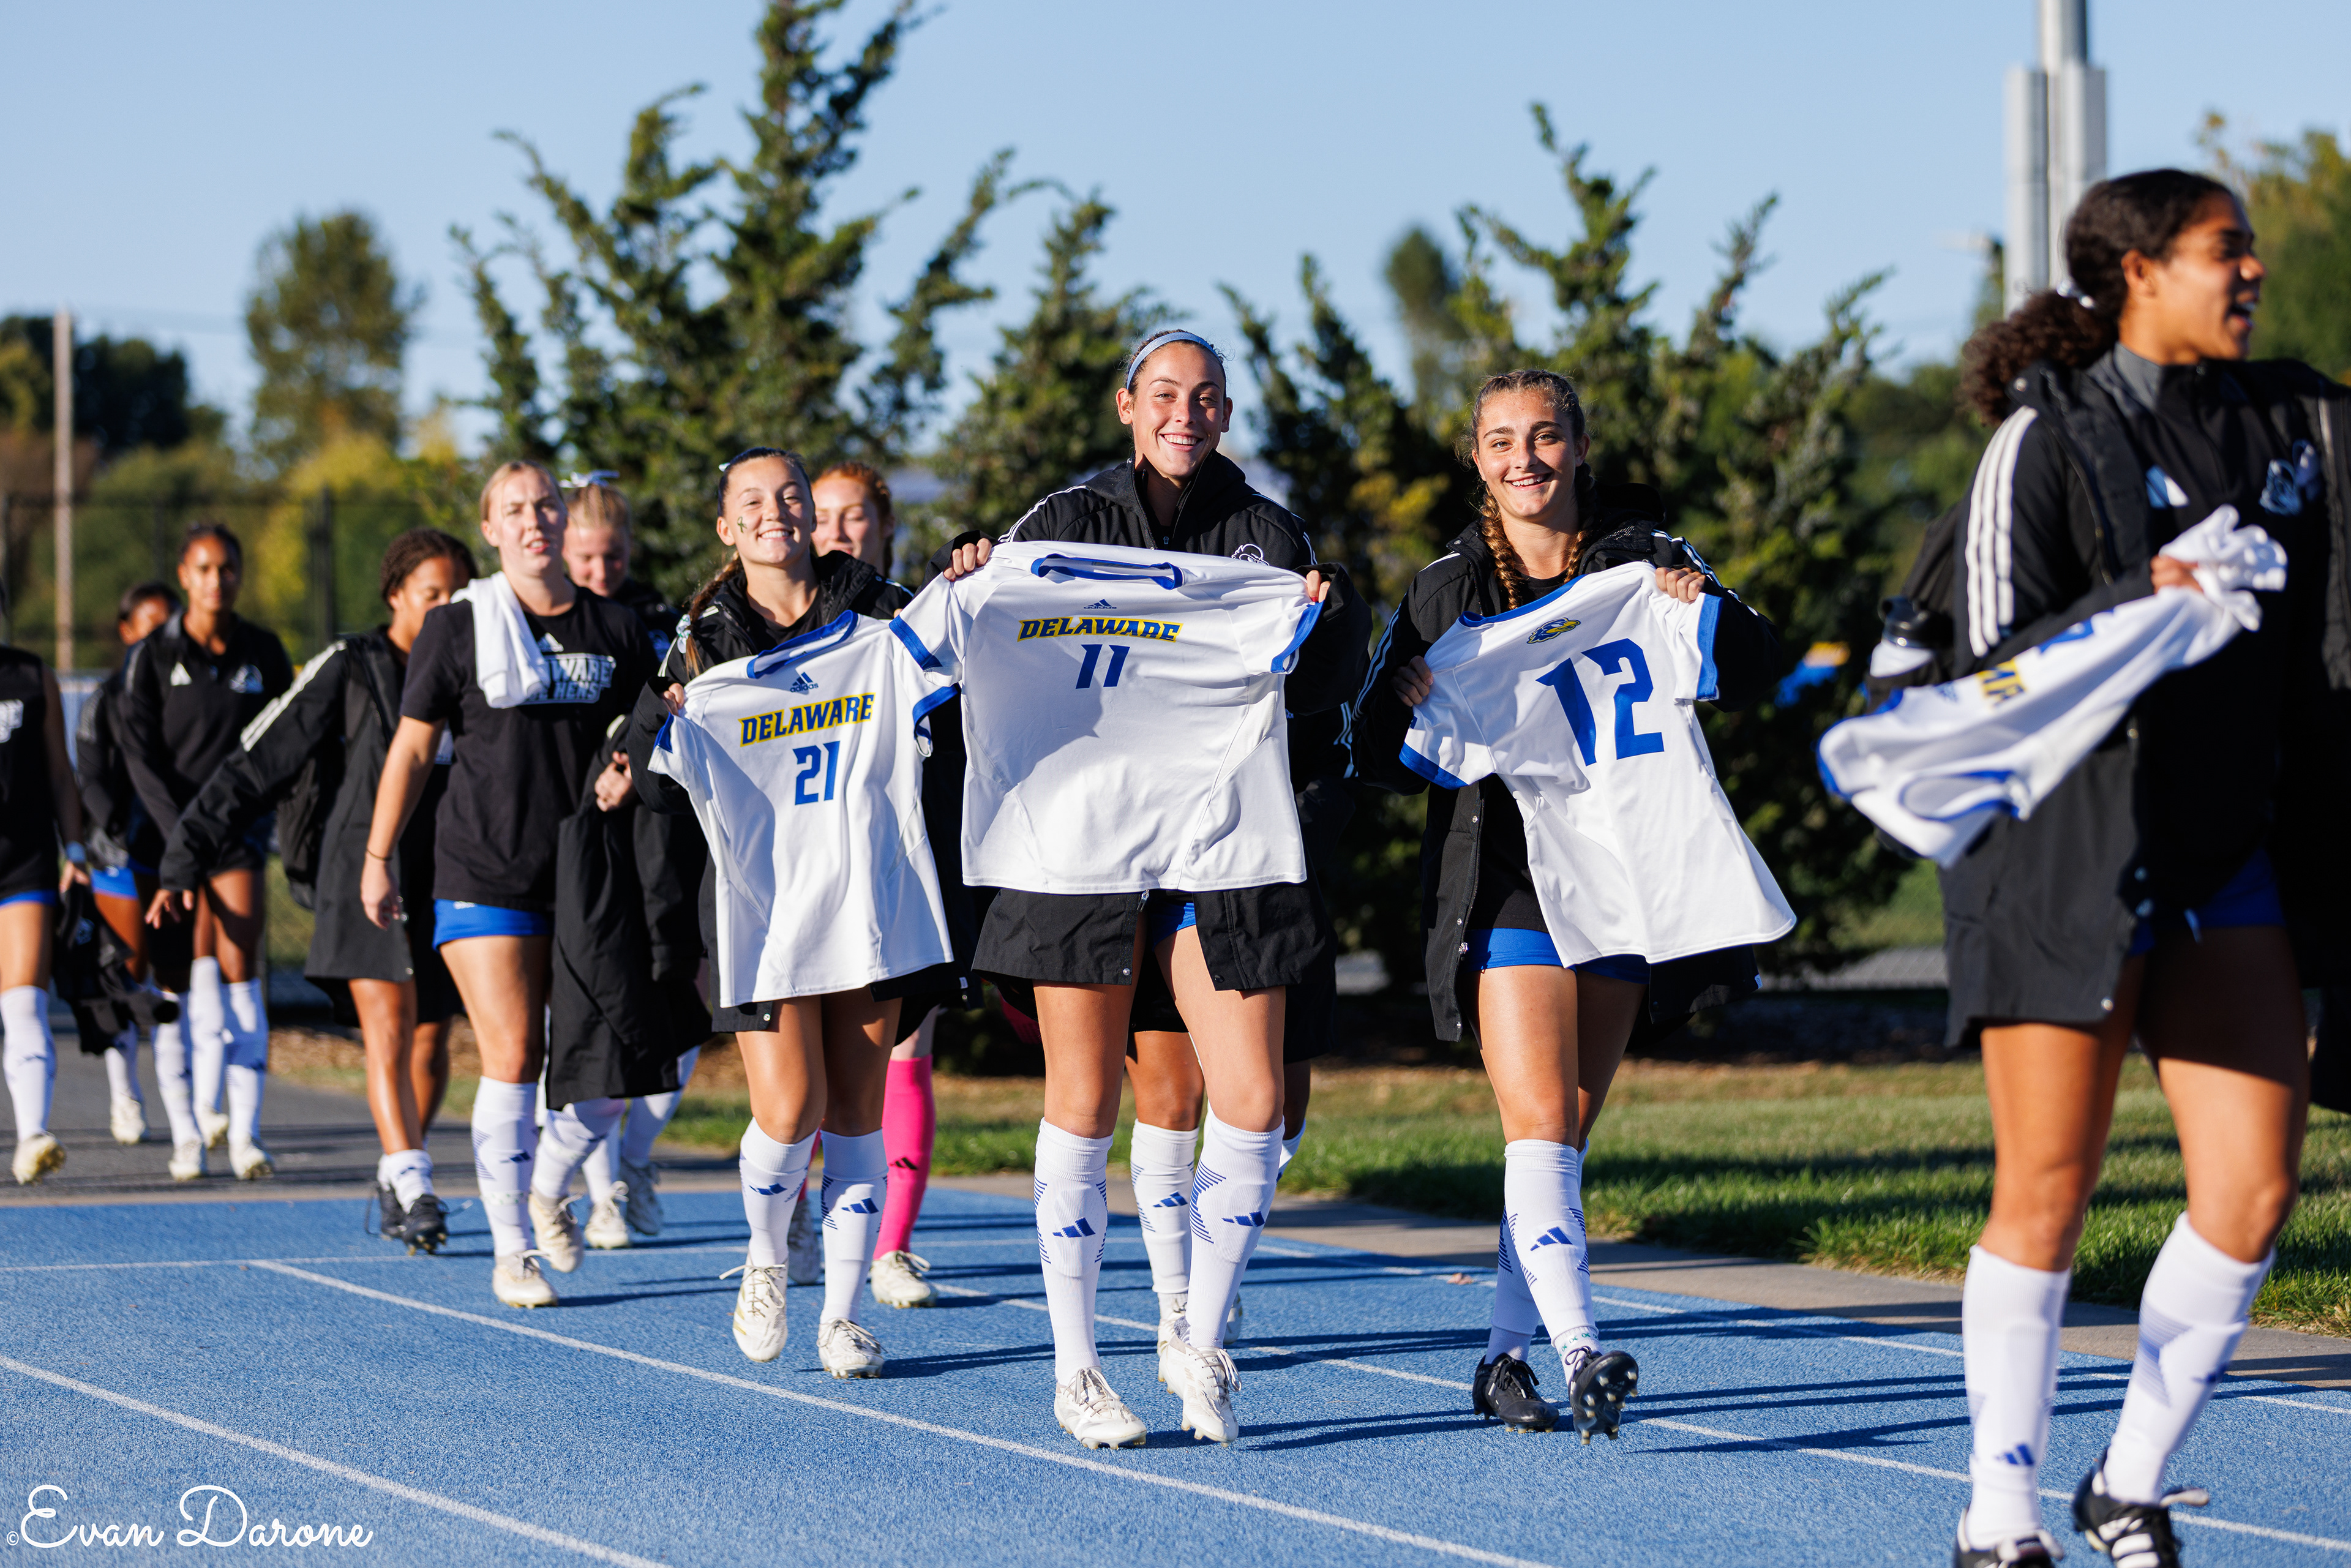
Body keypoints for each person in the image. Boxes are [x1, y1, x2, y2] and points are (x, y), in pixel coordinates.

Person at [1932, 170, 2342, 1568]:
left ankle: (2126, 1481)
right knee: (2047, 1186)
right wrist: (2137, 595)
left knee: (2252, 1189)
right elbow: (1989, 669)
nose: (2252, 272)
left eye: (2251, 251)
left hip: (2221, 858)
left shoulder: (2291, 421)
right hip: (2062, 863)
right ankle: (1997, 1514)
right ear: (2138, 271)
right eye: (2227, 250)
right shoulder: (2041, 441)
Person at [924, 327, 1369, 1448]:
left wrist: (1329, 616)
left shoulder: (1268, 533)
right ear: (1128, 405)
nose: (1187, 412)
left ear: (1227, 413)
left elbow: (1323, 688)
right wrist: (966, 578)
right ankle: (1077, 1370)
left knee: (1253, 1103)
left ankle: (1197, 1335)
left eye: (1207, 395)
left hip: (1217, 843)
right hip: (1083, 847)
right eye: (1165, 393)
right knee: (1084, 1103)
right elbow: (957, 644)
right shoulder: (1061, 521)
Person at [1349, 367, 1787, 1442]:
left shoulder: (1645, 558)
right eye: (1502, 441)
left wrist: (1704, 605)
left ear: (1580, 448)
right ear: (1477, 458)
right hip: (1511, 877)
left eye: (1544, 437)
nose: (1525, 459)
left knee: (1560, 1140)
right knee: (1539, 1124)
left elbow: (1757, 666)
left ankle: (1502, 1358)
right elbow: (1372, 751)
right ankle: (1586, 1352)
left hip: (1625, 873)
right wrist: (1401, 701)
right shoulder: (1447, 589)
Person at [626, 446, 926, 1378]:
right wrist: (660, 718)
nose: (775, 511)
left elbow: (959, 677)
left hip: (869, 889)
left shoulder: (881, 611)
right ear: (726, 526)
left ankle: (841, 1315)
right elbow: (653, 779)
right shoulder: (701, 638)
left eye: (790, 495)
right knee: (790, 1106)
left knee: (857, 1115)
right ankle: (765, 1257)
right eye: (751, 501)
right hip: (763, 903)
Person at [362, 461, 656, 1308]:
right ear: (491, 530)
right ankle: (512, 1250)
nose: (534, 520)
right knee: (516, 1055)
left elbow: (650, 734)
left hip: (588, 873)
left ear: (565, 519)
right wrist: (379, 854)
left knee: (610, 1070)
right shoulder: (458, 625)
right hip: (482, 869)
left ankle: (547, 1184)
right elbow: (413, 747)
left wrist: (630, 767)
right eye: (515, 509)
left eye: (546, 505)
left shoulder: (616, 625)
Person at [154, 529, 476, 1249]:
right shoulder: (351, 664)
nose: (447, 606)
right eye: (432, 593)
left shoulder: (479, 669)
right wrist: (186, 851)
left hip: (447, 868)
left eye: (458, 594)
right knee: (388, 1026)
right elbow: (257, 758)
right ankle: (415, 1181)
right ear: (395, 595)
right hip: (362, 871)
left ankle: (399, 1168)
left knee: (431, 1042)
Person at [119, 525, 293, 1180]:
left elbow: (285, 745)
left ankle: (245, 1135)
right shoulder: (153, 656)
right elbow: (140, 758)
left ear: (239, 574)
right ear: (184, 575)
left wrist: (253, 817)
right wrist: (181, 839)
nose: (216, 579)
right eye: (203, 568)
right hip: (165, 843)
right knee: (179, 984)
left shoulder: (264, 651)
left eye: (227, 568)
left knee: (240, 972)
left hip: (236, 838)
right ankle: (187, 1134)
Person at [559, 473, 705, 1250]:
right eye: (585, 558)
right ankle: (601, 1191)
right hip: (588, 834)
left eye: (611, 557)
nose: (599, 572)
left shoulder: (661, 620)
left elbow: (685, 698)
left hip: (664, 831)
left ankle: (637, 1158)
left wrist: (633, 755)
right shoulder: (547, 622)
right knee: (603, 1014)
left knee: (684, 1003)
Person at [814, 459, 940, 1310]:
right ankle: (797, 1223)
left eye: (854, 515)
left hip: (896, 861)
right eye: (821, 515)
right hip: (808, 869)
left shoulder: (914, 617)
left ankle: (892, 1245)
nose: (836, 531)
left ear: (885, 526)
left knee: (905, 1048)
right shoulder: (772, 621)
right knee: (807, 1066)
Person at [77, 581, 181, 1149]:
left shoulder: (187, 695)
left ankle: (190, 1111)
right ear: (127, 631)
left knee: (176, 980)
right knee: (127, 974)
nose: (160, 636)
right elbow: (89, 779)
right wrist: (115, 831)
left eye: (169, 626)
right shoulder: (105, 699)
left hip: (176, 854)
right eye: (149, 625)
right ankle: (125, 1095)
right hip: (118, 855)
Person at [0, 622, 93, 1184]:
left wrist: (75, 850)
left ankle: (32, 1135)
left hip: (25, 863)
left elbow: (60, 770)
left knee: (24, 1002)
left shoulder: (32, 675)